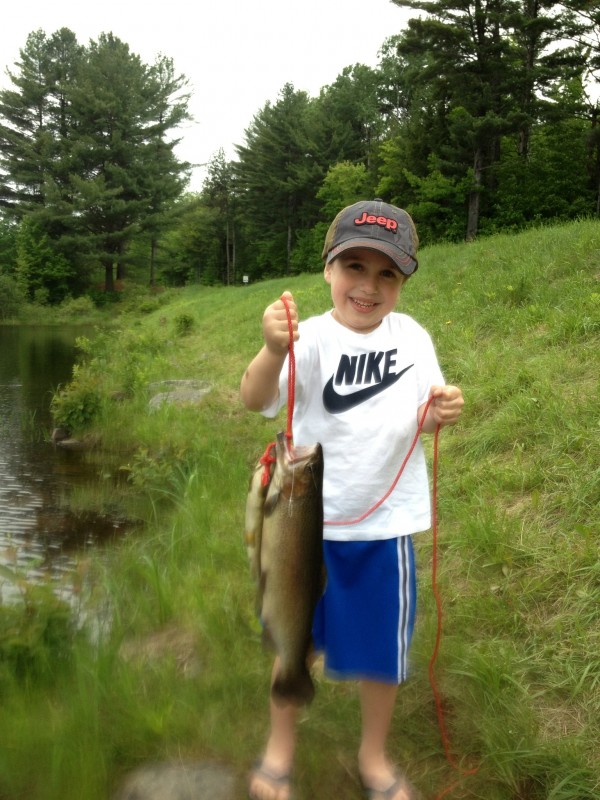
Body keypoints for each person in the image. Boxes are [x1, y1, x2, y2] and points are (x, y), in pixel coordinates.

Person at [240, 199, 464, 800]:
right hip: (303, 529)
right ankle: (280, 750)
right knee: (291, 637)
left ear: (402, 281)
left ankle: (373, 757)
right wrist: (271, 350)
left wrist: (435, 413)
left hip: (384, 529)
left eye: (385, 273)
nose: (367, 286)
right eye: (354, 267)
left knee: (379, 654)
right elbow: (255, 399)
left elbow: (419, 416)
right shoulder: (307, 339)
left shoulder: (413, 337)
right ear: (328, 270)